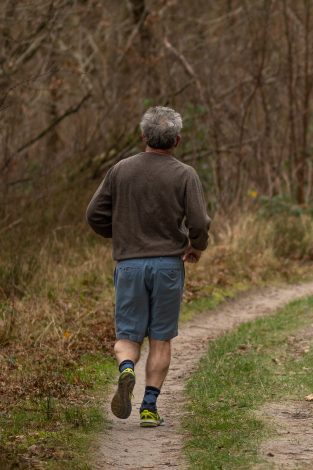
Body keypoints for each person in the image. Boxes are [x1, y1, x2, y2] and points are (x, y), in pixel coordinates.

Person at [85, 106, 211, 427]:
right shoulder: (186, 175)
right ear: (177, 140)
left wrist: (123, 235)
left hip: (129, 265)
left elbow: (94, 215)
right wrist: (196, 246)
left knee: (128, 334)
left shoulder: (120, 171)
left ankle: (126, 368)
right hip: (168, 265)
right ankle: (149, 408)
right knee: (160, 338)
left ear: (143, 136)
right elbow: (198, 222)